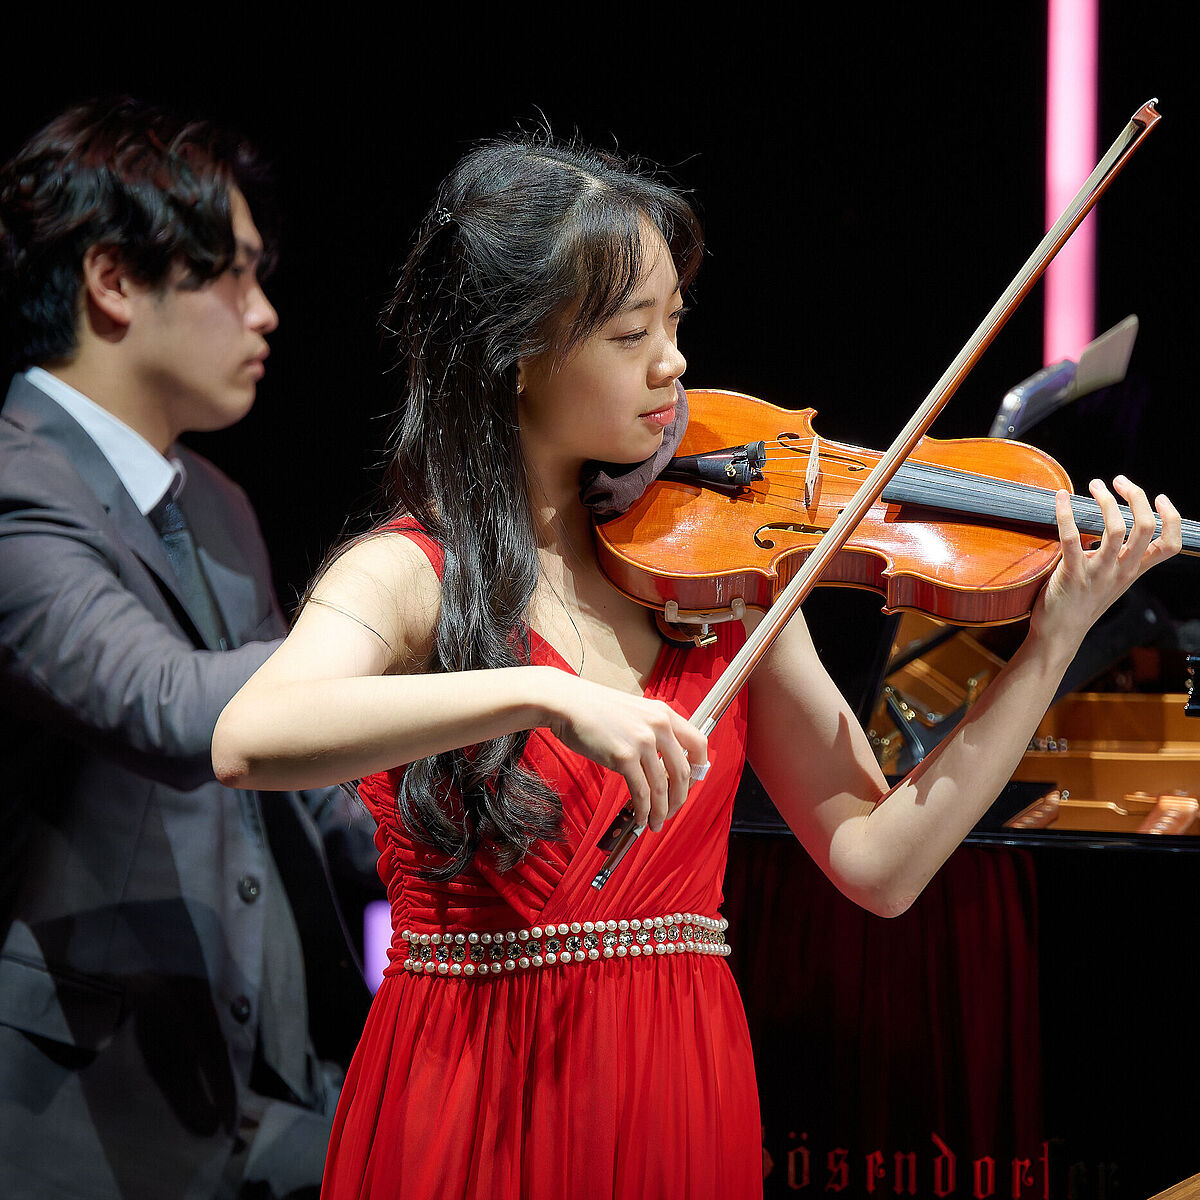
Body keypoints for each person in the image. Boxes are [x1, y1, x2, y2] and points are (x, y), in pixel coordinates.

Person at [211, 132, 1182, 1200]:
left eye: (675, 321)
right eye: (633, 333)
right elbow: (250, 739)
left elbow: (881, 864)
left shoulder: (719, 585)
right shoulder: (406, 574)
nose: (674, 363)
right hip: (469, 1091)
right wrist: (548, 693)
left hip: (680, 1086)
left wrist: (1049, 643)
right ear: (517, 351)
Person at [0, 98, 376, 1199]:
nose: (265, 315)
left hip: (256, 1091)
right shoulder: (17, 488)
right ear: (113, 281)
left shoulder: (215, 502)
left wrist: (480, 819)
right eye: (234, 277)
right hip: (77, 1121)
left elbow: (315, 795)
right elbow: (174, 705)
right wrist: (405, 628)